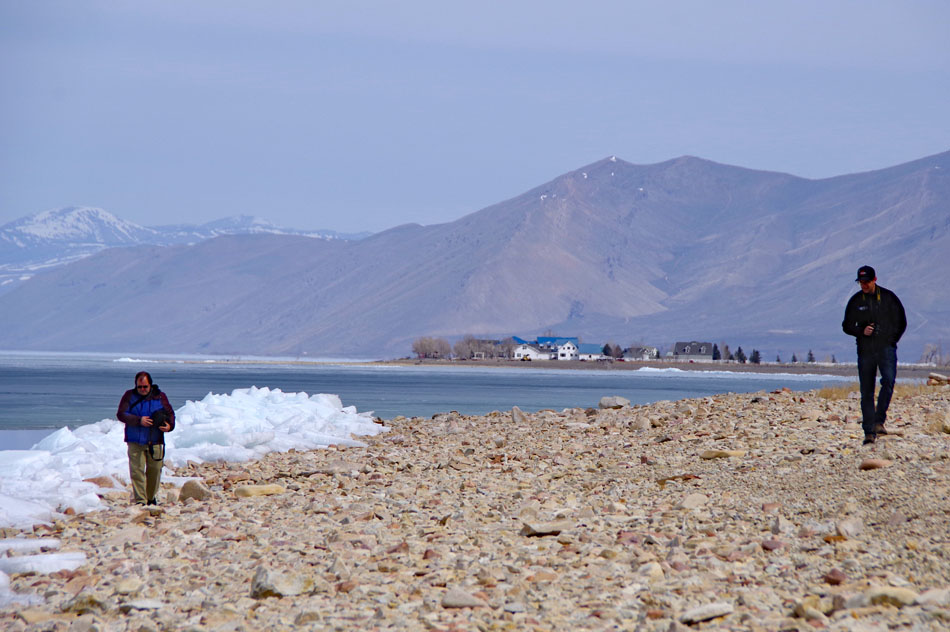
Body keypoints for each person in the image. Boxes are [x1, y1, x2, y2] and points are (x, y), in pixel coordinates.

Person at [841, 265, 907, 445]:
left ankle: (879, 419)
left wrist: (892, 340)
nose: (863, 285)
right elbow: (846, 325)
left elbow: (901, 321)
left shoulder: (888, 298)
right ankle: (869, 432)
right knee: (866, 392)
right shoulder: (856, 301)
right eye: (860, 282)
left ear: (874, 280)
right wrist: (861, 331)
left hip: (886, 348)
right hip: (865, 350)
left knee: (888, 380)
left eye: (866, 282)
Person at [117, 371, 175, 504]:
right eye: (140, 387)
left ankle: (150, 497)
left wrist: (169, 426)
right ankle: (141, 500)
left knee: (154, 471)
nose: (142, 389)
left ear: (150, 385)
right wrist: (138, 420)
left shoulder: (160, 397)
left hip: (155, 440)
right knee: (137, 471)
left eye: (145, 387)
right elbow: (121, 414)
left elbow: (170, 414)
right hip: (135, 440)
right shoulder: (129, 396)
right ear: (136, 386)